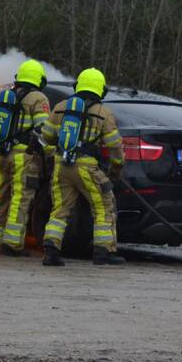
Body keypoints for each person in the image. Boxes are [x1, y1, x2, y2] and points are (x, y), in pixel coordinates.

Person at [39, 68, 125, 266]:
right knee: (104, 205)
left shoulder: (61, 107)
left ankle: (50, 252)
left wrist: (55, 154)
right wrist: (115, 170)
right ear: (101, 91)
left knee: (60, 209)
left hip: (61, 166)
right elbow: (115, 148)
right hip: (87, 168)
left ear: (77, 86)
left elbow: (46, 138)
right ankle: (104, 252)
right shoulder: (103, 113)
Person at [0, 59, 50, 256]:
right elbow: (44, 129)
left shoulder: (9, 96)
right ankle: (12, 243)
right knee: (21, 198)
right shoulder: (38, 98)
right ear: (39, 79)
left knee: (3, 196)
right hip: (24, 155)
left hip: (3, 154)